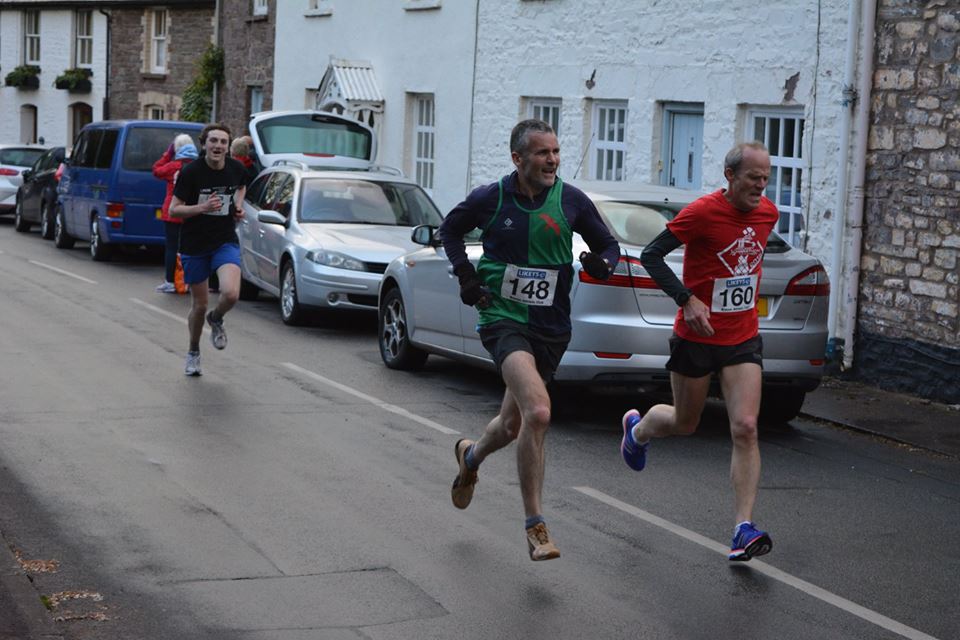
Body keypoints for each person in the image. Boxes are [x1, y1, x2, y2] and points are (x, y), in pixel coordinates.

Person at [439, 119, 620, 561]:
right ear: (518, 159)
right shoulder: (492, 198)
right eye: (542, 153)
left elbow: (610, 247)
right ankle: (535, 525)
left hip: (551, 327)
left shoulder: (572, 200)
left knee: (513, 425)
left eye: (556, 152)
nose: (552, 160)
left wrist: (602, 264)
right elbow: (449, 230)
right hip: (502, 318)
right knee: (538, 411)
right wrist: (466, 277)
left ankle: (471, 457)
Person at [620, 141, 779, 562]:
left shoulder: (767, 214)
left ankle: (743, 528)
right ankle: (637, 431)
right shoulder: (703, 212)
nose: (761, 187)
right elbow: (652, 255)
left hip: (742, 337)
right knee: (684, 423)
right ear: (730, 176)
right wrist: (686, 299)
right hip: (695, 337)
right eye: (753, 178)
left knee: (745, 426)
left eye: (766, 178)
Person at [168, 123, 248, 376]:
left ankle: (217, 318)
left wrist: (238, 205)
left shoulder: (236, 168)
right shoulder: (191, 172)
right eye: (213, 141)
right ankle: (193, 351)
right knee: (199, 305)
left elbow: (242, 185)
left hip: (224, 240)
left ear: (228, 146)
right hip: (195, 244)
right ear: (204, 144)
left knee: (231, 294)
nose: (218, 146)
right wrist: (200, 208)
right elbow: (174, 209)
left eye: (223, 142)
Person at [152, 134, 198, 293]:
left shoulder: (173, 166)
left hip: (172, 212)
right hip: (192, 212)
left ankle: (170, 281)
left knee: (172, 248)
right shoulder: (198, 166)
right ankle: (189, 282)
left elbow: (156, 170)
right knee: (191, 249)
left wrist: (168, 153)